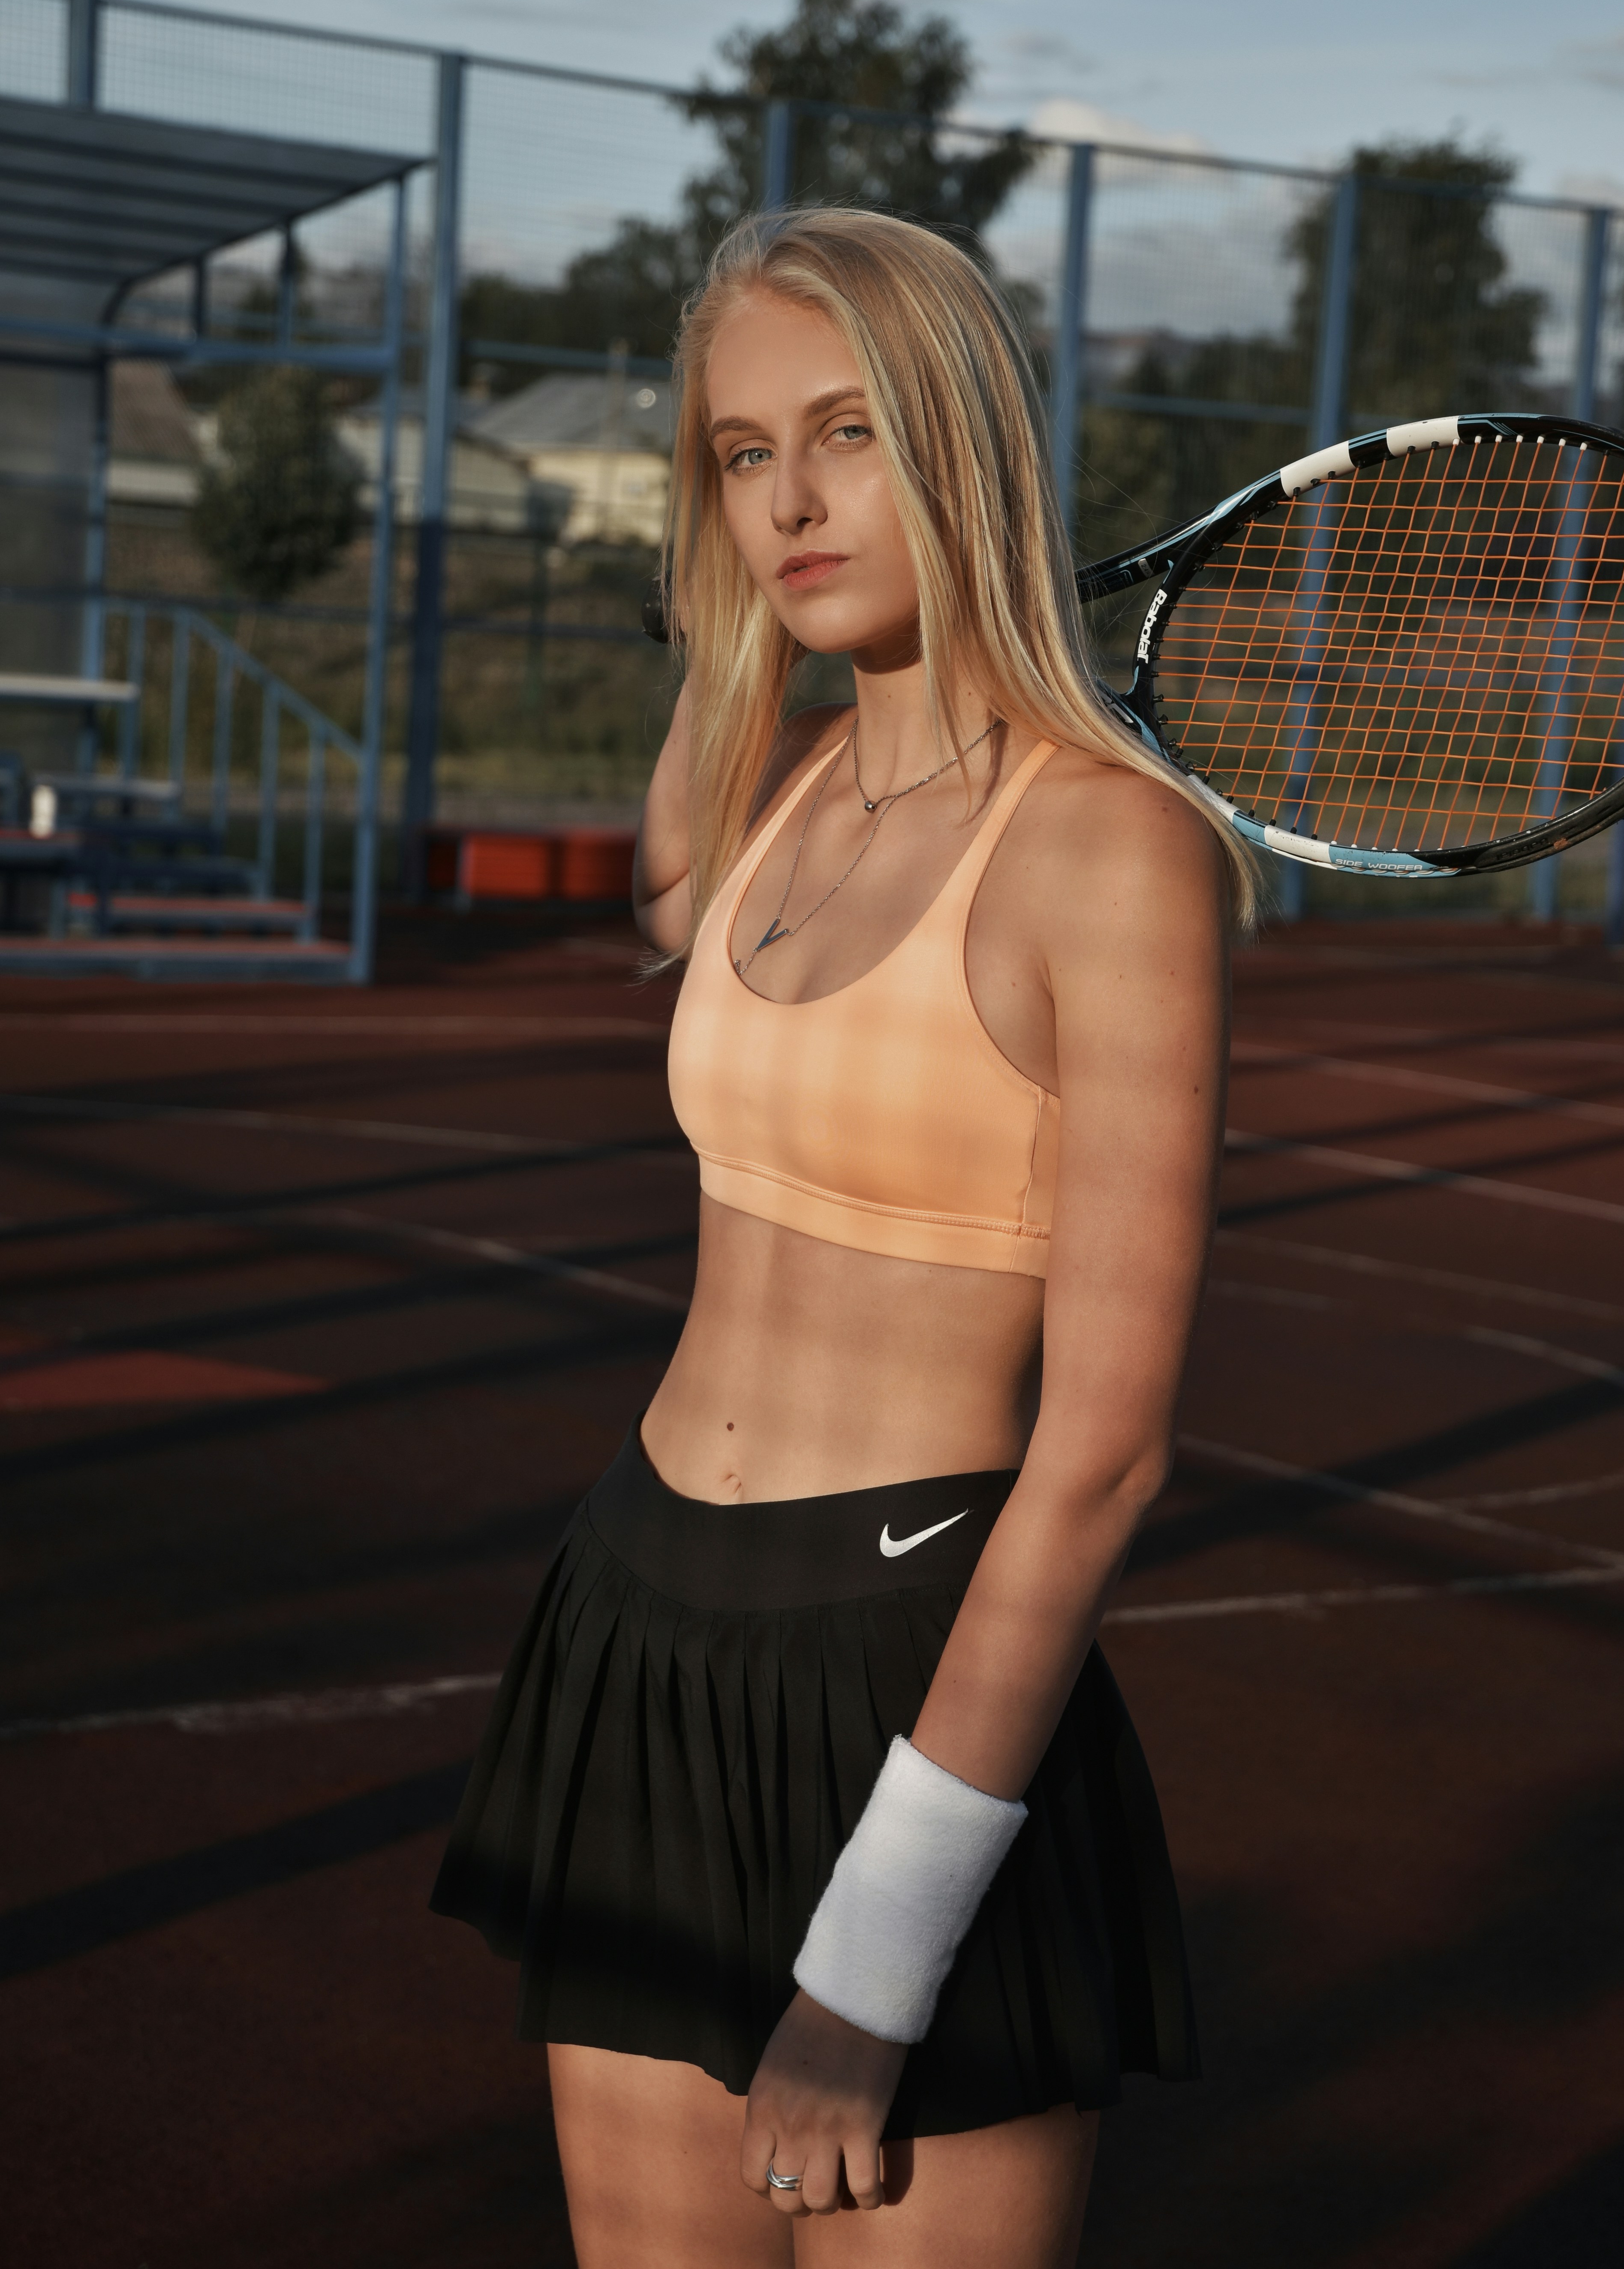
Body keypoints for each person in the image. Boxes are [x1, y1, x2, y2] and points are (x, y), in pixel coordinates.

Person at [432, 207, 1253, 2267]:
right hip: (630, 1631)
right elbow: (665, 897)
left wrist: (875, 1966)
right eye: (736, 453)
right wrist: (747, 619)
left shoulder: (1113, 850)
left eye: (851, 432)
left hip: (913, 1681)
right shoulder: (765, 798)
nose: (788, 500)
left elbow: (1109, 1452)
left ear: (960, 442)